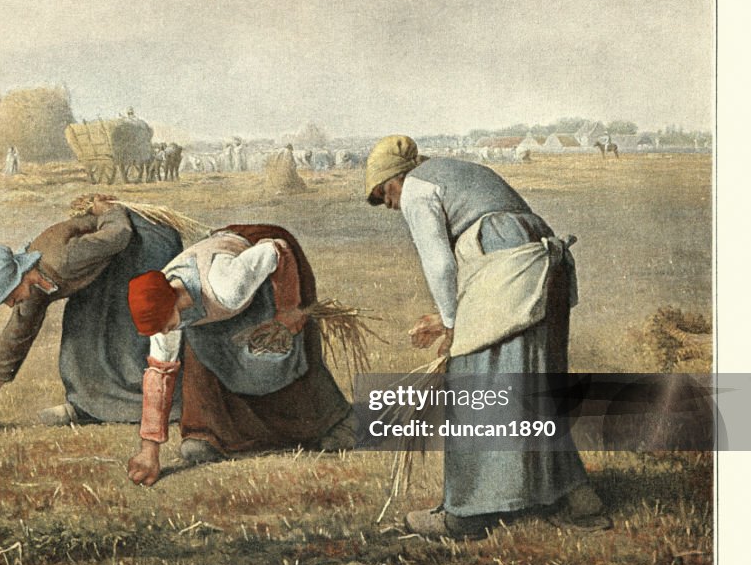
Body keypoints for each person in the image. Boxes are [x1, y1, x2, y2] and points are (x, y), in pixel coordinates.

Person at [364, 134, 610, 539]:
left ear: (397, 178)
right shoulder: (456, 172)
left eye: (383, 193)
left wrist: (451, 324)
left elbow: (441, 266)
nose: (388, 203)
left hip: (508, 268)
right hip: (540, 269)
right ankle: (576, 499)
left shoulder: (416, 189)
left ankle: (467, 515)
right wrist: (446, 318)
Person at [124, 224, 356, 486]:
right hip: (221, 298)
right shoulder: (160, 301)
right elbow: (160, 376)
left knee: (278, 356)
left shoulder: (227, 286)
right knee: (206, 357)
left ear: (175, 300)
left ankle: (338, 422)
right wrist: (149, 451)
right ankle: (210, 436)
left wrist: (287, 310)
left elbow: (276, 250)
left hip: (268, 271)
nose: (164, 331)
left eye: (165, 323)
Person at [0, 195, 183, 428]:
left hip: (145, 239)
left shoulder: (63, 260)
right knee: (79, 326)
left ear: (19, 276)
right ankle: (88, 406)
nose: (11, 304)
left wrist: (109, 210)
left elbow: (119, 235)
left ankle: (165, 406)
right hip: (112, 257)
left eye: (9, 297)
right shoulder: (34, 283)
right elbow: (15, 336)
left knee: (131, 323)